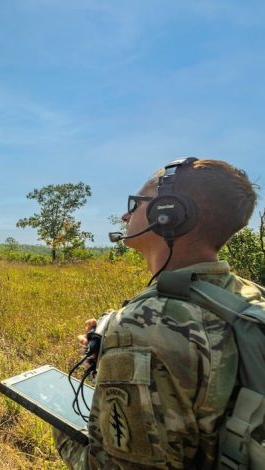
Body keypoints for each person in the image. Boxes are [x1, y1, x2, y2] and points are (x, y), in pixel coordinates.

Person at [53, 158, 263, 468]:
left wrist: (59, 422)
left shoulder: (143, 327)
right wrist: (113, 353)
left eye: (136, 204)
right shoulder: (248, 297)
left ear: (168, 213)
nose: (126, 214)